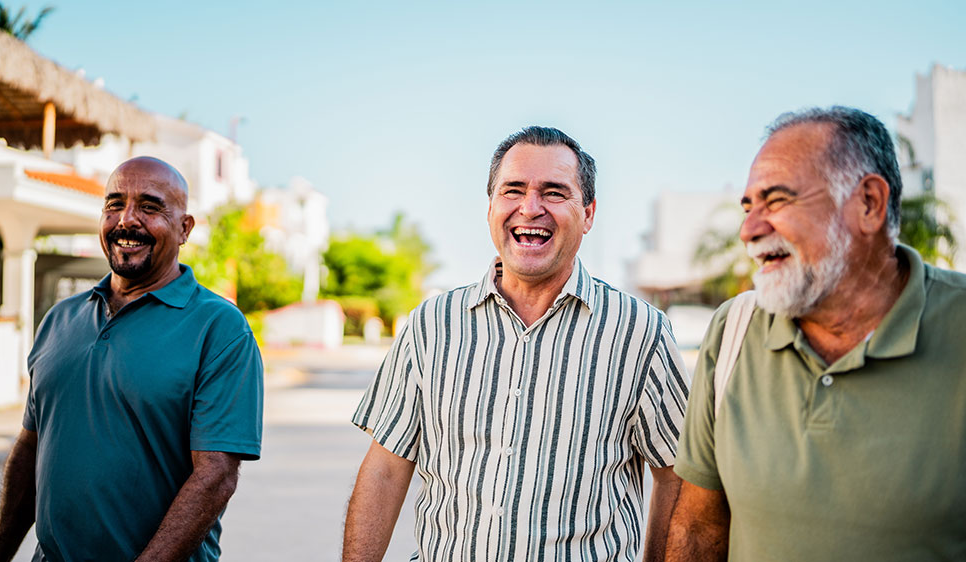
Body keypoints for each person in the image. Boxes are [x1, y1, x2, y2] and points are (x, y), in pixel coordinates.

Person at [342, 126, 690, 562]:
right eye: (513, 190)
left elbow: (678, 476)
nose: (530, 208)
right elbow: (386, 469)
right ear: (490, 206)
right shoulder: (431, 325)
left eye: (554, 192)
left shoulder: (641, 332)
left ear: (588, 213)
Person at [666, 107, 966, 561]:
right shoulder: (733, 330)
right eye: (748, 207)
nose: (749, 230)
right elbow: (699, 527)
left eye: (778, 200)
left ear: (868, 203)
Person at [0, 157, 264, 562]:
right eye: (114, 204)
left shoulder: (219, 328)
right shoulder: (60, 319)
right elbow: (30, 449)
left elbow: (215, 475)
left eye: (149, 207)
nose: (126, 220)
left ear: (184, 228)